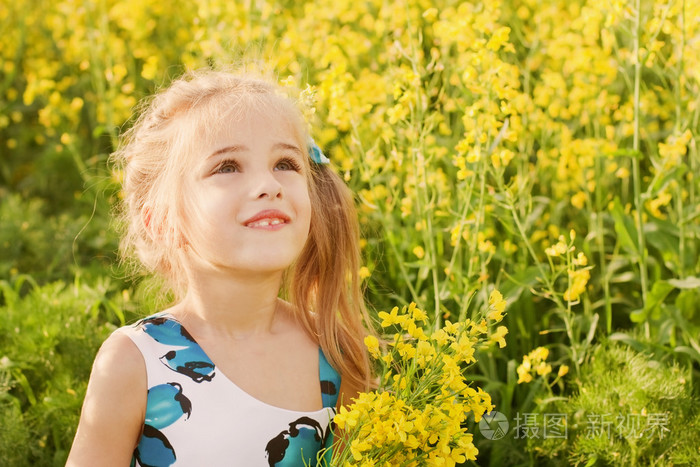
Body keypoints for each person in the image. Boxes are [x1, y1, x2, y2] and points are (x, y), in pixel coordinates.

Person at [66, 69, 372, 466]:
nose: (269, 184)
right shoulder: (135, 362)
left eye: (285, 163)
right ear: (160, 220)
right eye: (227, 167)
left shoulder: (333, 352)